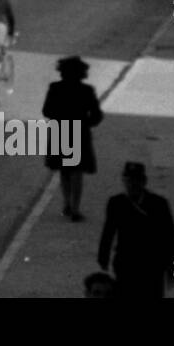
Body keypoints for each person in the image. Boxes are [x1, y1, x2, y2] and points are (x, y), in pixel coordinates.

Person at [97, 161, 174, 298]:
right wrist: (103, 259)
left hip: (151, 267)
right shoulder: (116, 203)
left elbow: (172, 237)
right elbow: (108, 232)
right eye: (128, 180)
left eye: (135, 181)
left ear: (144, 182)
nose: (131, 185)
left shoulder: (158, 204)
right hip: (125, 265)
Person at [42, 56, 103, 222]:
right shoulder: (87, 90)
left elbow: (46, 111)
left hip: (60, 130)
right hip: (79, 132)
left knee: (64, 169)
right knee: (77, 171)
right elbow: (97, 115)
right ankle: (75, 208)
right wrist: (86, 123)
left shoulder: (55, 88)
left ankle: (67, 202)